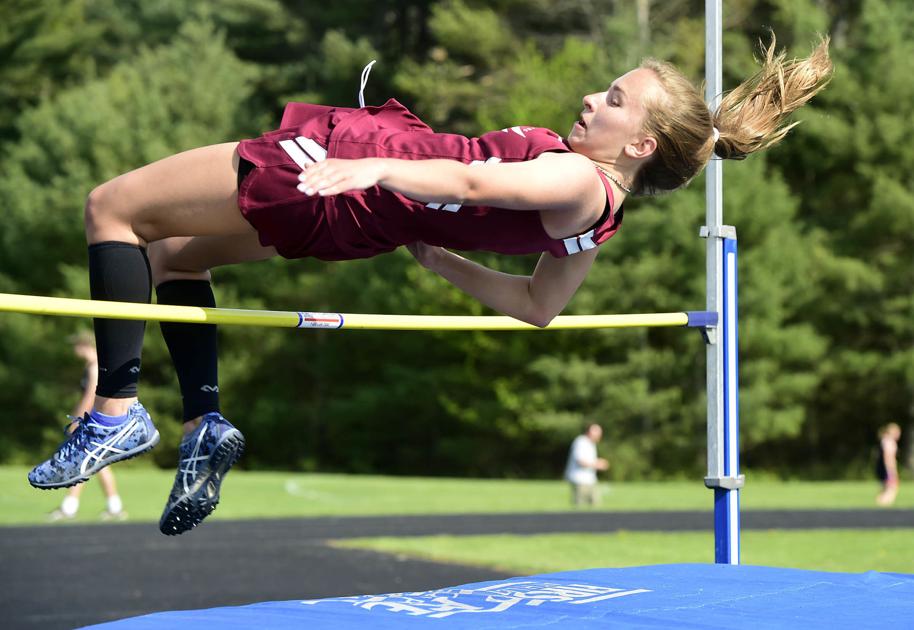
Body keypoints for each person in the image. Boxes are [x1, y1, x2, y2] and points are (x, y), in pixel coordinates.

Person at [27, 35, 833, 535]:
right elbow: (537, 306)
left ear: (644, 144)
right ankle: (202, 421)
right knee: (169, 260)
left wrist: (379, 162)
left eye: (615, 100)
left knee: (113, 208)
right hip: (360, 213)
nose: (593, 98)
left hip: (347, 172)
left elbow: (480, 189)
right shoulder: (598, 217)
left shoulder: (579, 179)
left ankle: (116, 411)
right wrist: (441, 257)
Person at [48, 332, 128, 522]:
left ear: (83, 346)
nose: (75, 350)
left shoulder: (94, 367)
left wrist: (77, 419)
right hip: (94, 420)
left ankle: (71, 507)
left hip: (93, 421)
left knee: (84, 461)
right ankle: (113, 507)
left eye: (77, 346)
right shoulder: (93, 366)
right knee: (97, 464)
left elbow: (90, 397)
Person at [565, 423, 610, 506]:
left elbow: (589, 460)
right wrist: (598, 465)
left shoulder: (591, 444)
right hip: (580, 480)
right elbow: (581, 461)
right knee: (580, 506)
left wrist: (598, 461)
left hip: (590, 480)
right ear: (590, 432)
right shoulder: (581, 442)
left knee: (595, 504)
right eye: (597, 434)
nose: (599, 436)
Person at [875, 423, 902, 507]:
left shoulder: (885, 440)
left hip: (882, 468)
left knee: (886, 488)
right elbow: (888, 457)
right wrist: (891, 471)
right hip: (887, 469)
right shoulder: (889, 442)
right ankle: (884, 506)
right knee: (892, 488)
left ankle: (880, 505)